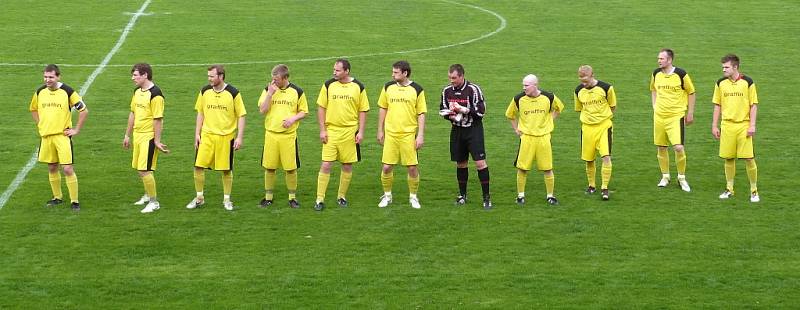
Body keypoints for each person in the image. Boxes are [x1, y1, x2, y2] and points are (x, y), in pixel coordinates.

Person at [186, 64, 246, 211]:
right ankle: (199, 197)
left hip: (226, 137)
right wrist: (197, 134)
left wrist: (239, 137)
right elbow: (200, 112)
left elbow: (241, 115)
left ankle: (227, 199)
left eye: (212, 76)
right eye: (208, 76)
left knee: (226, 170)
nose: (209, 79)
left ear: (221, 76)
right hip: (207, 136)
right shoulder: (205, 91)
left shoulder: (233, 93)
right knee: (198, 166)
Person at [29, 64, 89, 211]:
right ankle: (57, 197)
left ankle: (75, 201)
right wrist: (40, 125)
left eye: (51, 77)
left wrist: (76, 130)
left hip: (62, 137)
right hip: (46, 137)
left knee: (67, 169)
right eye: (45, 77)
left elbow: (84, 110)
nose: (47, 80)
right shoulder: (40, 92)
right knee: (52, 167)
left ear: (58, 76)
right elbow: (33, 109)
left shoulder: (67, 91)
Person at [314, 59, 369, 211]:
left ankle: (341, 196)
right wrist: (322, 129)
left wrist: (361, 131)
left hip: (350, 132)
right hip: (331, 131)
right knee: (326, 164)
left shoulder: (358, 86)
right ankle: (319, 199)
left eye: (337, 70)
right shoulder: (328, 85)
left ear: (347, 71)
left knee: (347, 165)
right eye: (334, 69)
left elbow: (363, 110)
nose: (334, 72)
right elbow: (321, 107)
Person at [505, 74, 564, 206]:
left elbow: (559, 108)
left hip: (544, 138)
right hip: (527, 138)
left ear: (535, 85)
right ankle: (520, 196)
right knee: (522, 168)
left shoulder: (549, 97)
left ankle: (550, 196)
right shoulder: (518, 99)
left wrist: (550, 120)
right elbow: (510, 115)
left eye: (526, 85)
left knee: (547, 167)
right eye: (523, 85)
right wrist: (516, 129)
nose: (523, 88)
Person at [439, 64, 492, 209]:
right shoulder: (446, 91)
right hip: (457, 130)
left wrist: (464, 110)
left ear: (462, 76)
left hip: (473, 130)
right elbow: (442, 109)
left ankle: (486, 197)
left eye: (454, 78)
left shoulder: (473, 90)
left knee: (480, 163)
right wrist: (451, 115)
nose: (452, 81)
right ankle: (462, 195)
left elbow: (481, 111)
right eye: (450, 77)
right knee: (461, 163)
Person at [377, 60, 427, 209]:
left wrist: (420, 135)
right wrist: (380, 129)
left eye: (396, 72)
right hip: (391, 134)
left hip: (408, 134)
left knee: (412, 167)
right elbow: (383, 108)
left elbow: (421, 113)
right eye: (392, 72)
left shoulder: (417, 89)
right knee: (386, 167)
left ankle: (413, 196)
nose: (392, 74)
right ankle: (387, 196)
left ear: (405, 73)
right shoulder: (388, 87)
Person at [258, 64, 308, 209]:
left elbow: (304, 111)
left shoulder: (297, 91)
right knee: (269, 167)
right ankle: (268, 197)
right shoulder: (268, 89)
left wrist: (293, 119)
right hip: (271, 135)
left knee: (291, 168)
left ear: (286, 78)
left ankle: (292, 198)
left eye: (277, 79)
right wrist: (269, 94)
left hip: (288, 137)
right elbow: (262, 110)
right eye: (273, 79)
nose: (274, 82)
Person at [712, 54, 760, 202]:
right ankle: (729, 189)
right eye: (723, 67)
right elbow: (717, 105)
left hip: (743, 126)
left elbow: (754, 105)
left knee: (749, 158)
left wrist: (752, 125)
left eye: (726, 67)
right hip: (726, 125)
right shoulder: (720, 83)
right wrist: (714, 125)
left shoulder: (748, 82)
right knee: (728, 158)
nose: (723, 70)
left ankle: (754, 191)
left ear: (735, 67)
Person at [123, 63, 169, 213]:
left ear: (145, 75)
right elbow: (133, 113)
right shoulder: (137, 91)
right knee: (139, 169)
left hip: (148, 137)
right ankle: (148, 196)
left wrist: (156, 140)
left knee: (145, 170)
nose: (132, 78)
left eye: (135, 75)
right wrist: (127, 135)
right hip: (137, 135)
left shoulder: (156, 95)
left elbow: (158, 119)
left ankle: (154, 202)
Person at [650, 48, 696, 192]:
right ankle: (665, 176)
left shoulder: (681, 74)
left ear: (669, 60)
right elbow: (653, 89)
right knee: (661, 146)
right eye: (658, 58)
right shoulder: (656, 73)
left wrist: (690, 113)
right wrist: (654, 106)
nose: (659, 61)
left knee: (678, 147)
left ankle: (681, 178)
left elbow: (691, 92)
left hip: (676, 116)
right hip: (659, 116)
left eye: (662, 59)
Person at [574, 65, 617, 200]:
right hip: (587, 128)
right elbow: (579, 108)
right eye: (581, 80)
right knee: (589, 159)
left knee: (606, 157)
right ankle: (592, 185)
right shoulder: (578, 91)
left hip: (603, 127)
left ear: (592, 75)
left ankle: (604, 187)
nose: (583, 83)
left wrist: (603, 118)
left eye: (585, 80)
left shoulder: (606, 88)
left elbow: (613, 106)